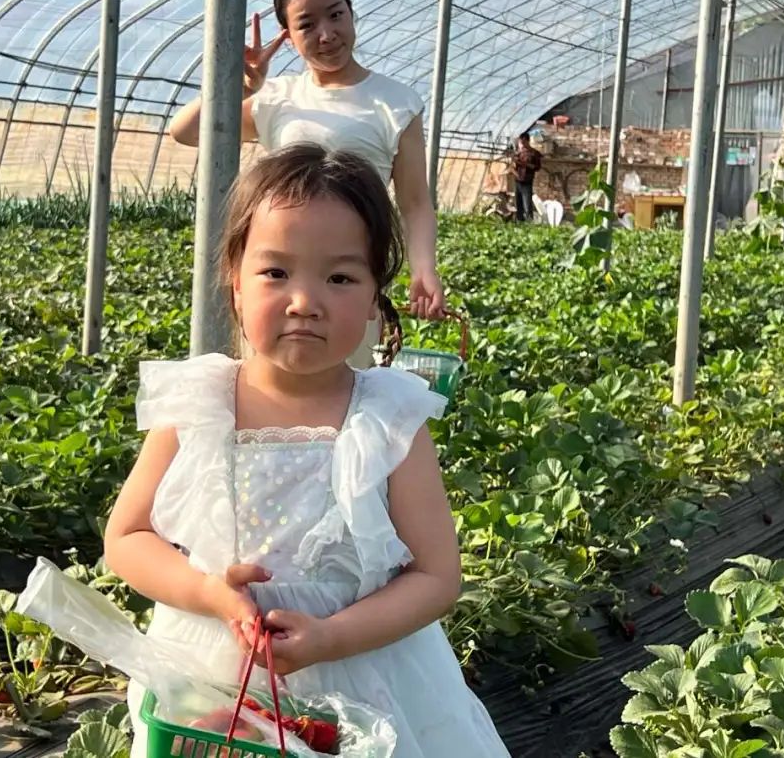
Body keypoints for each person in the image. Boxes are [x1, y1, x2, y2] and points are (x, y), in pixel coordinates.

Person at [105, 144, 510, 758]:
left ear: (375, 298)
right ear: (234, 282)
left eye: (340, 278)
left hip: (364, 674)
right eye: (276, 273)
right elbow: (127, 537)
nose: (304, 301)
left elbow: (436, 577)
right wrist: (208, 592)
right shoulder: (199, 406)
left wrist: (331, 638)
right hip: (214, 670)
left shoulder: (387, 418)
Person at [169, 0, 445, 331]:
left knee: (346, 363)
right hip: (277, 274)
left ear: (351, 13)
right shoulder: (277, 97)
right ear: (288, 36)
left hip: (350, 272)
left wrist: (424, 268)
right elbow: (186, 131)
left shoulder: (396, 102)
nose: (326, 34)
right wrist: (239, 89)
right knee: (269, 364)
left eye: (336, 15)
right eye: (307, 25)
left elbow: (415, 203)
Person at [512, 132, 541, 222]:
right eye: (521, 142)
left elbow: (537, 167)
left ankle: (529, 222)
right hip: (518, 180)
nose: (523, 144)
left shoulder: (534, 153)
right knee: (518, 204)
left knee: (527, 204)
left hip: (527, 181)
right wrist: (514, 162)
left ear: (528, 141)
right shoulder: (519, 153)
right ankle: (519, 221)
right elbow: (513, 166)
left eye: (524, 142)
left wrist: (525, 164)